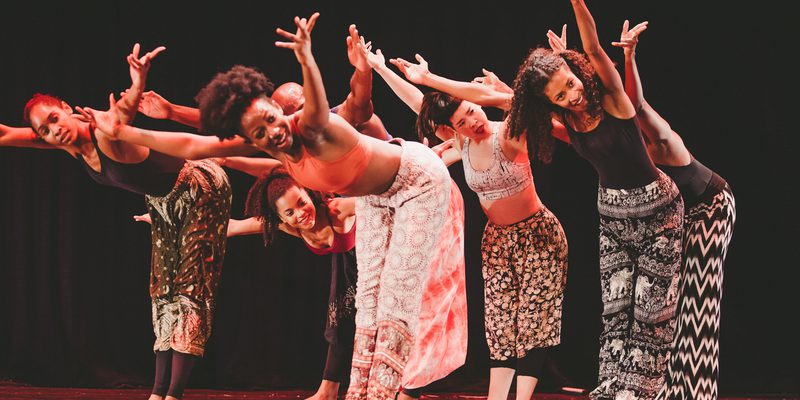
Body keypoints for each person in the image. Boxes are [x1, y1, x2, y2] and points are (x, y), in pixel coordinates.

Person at [84, 14, 467, 400]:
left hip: (418, 181)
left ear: (275, 107)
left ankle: (388, 395)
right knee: (368, 303)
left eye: (271, 119)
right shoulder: (271, 149)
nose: (273, 132)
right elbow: (193, 145)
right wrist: (123, 131)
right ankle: (361, 394)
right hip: (377, 199)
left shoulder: (311, 125)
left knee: (396, 298)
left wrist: (307, 58)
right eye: (259, 133)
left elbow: (322, 102)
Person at [3, 44, 232, 400]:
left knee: (190, 291)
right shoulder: (68, 145)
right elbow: (5, 135)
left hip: (199, 188)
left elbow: (121, 113)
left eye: (54, 118)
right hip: (163, 204)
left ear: (66, 108)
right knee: (163, 294)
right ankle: (158, 392)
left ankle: (172, 395)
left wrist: (137, 84)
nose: (54, 130)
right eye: (44, 131)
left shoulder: (103, 132)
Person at [362, 41, 568, 400]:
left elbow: (515, 103)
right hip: (497, 242)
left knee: (534, 323)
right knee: (501, 326)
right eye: (462, 122)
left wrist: (433, 78)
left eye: (473, 111)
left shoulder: (509, 132)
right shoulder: (463, 143)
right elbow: (418, 104)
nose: (473, 122)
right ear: (452, 128)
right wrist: (380, 69)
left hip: (538, 237)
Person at [507, 1, 685, 398]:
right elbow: (509, 101)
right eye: (560, 95)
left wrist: (576, 3)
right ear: (550, 102)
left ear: (577, 72)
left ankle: (638, 392)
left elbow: (593, 47)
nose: (571, 95)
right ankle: (612, 387)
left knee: (650, 312)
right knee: (616, 311)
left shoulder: (612, 100)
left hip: (659, 214)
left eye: (570, 84)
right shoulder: (568, 122)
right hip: (613, 219)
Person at [611, 21, 736, 400]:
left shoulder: (659, 138)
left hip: (711, 209)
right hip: (676, 219)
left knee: (697, 300)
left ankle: (696, 391)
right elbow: (567, 129)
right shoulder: (620, 144)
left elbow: (638, 105)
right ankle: (666, 389)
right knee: (666, 303)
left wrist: (629, 56)